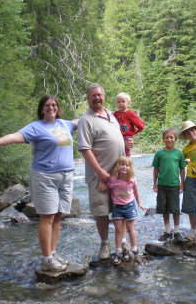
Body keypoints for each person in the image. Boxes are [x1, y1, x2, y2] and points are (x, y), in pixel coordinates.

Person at [0, 95, 78, 271]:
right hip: (45, 177)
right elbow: (15, 136)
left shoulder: (65, 124)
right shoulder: (36, 127)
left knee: (59, 216)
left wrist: (106, 112)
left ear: (58, 108)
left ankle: (53, 254)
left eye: (54, 105)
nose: (51, 107)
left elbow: (83, 120)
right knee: (48, 217)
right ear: (42, 109)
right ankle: (46, 259)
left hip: (66, 177)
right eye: (47, 105)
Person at [77, 83, 132, 260]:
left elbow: (116, 138)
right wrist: (99, 171)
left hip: (119, 175)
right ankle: (104, 244)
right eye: (93, 96)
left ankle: (121, 241)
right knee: (101, 211)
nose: (96, 98)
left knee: (121, 208)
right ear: (88, 98)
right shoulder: (86, 119)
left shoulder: (111, 115)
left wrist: (126, 144)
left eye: (99, 95)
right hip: (99, 175)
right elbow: (85, 149)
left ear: (104, 96)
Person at [98, 156, 147, 264]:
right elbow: (102, 189)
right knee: (118, 229)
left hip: (130, 206)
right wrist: (102, 178)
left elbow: (136, 191)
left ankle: (134, 249)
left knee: (130, 228)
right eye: (122, 164)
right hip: (117, 207)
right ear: (117, 166)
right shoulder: (113, 179)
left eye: (127, 165)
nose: (124, 167)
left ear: (130, 167)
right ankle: (118, 252)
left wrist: (140, 203)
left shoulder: (132, 178)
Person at [152, 128, 186, 241]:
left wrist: (182, 183)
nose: (169, 139)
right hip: (162, 185)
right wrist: (155, 183)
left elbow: (182, 169)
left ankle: (176, 231)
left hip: (174, 185)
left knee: (175, 209)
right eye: (167, 137)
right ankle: (167, 230)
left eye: (171, 137)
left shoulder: (179, 153)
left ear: (175, 139)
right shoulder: (159, 153)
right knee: (164, 208)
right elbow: (156, 169)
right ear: (163, 139)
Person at [114, 92, 145, 157]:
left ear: (128, 103)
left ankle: (127, 162)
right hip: (117, 135)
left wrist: (133, 133)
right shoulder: (115, 114)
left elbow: (141, 125)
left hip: (126, 135)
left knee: (127, 149)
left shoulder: (130, 113)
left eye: (123, 101)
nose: (121, 103)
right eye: (118, 102)